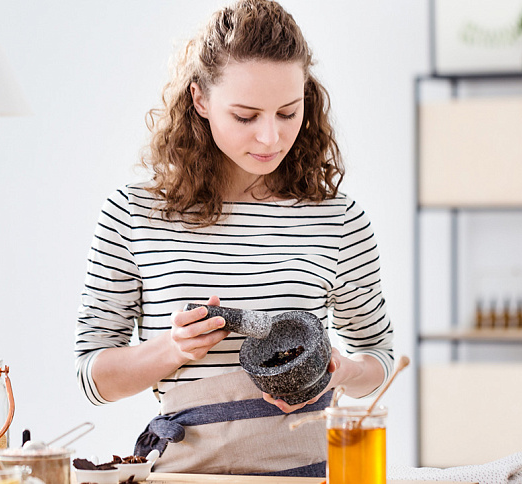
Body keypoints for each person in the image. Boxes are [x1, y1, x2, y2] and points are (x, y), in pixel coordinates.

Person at [74, 0, 394, 477]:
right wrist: (173, 348)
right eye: (246, 116)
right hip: (188, 474)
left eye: (289, 112)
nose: (271, 137)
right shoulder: (134, 215)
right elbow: (94, 378)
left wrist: (343, 370)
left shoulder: (338, 220)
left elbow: (380, 359)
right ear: (200, 99)